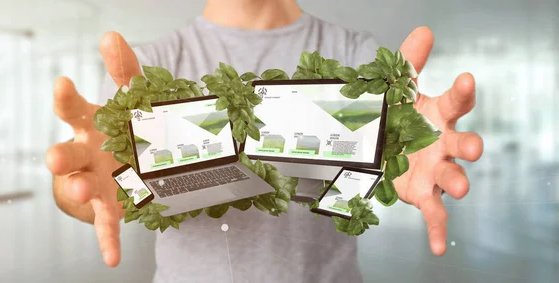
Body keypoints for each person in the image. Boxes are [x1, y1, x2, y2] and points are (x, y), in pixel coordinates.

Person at [45, 0, 484, 282]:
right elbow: (91, 183)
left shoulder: (357, 56)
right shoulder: (148, 65)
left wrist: (408, 148)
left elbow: (386, 159)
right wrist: (87, 187)